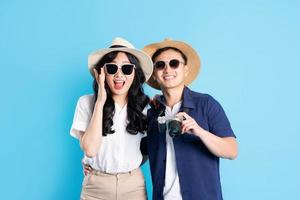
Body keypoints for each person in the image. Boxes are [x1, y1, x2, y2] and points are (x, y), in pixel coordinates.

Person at [142, 39, 238, 200]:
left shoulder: (206, 104)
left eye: (174, 63)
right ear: (154, 74)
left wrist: (200, 132)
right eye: (160, 65)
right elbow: (136, 152)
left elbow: (232, 151)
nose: (167, 69)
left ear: (185, 70)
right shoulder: (152, 114)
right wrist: (95, 164)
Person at [70, 37, 153, 200]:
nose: (119, 75)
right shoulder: (86, 103)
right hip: (96, 187)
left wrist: (128, 164)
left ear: (135, 73)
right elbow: (90, 150)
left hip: (133, 186)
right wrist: (100, 101)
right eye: (112, 68)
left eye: (127, 69)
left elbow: (148, 149)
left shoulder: (145, 106)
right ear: (102, 72)